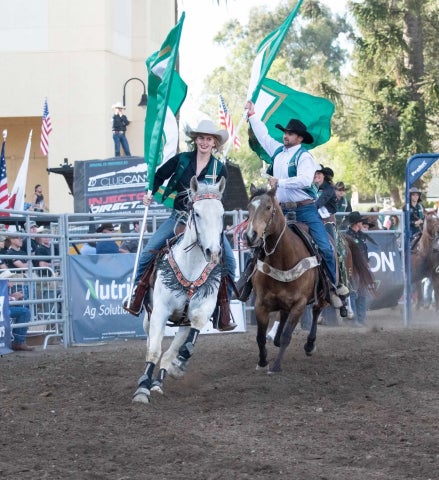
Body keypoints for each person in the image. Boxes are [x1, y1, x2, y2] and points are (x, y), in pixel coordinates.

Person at [123, 119, 237, 330]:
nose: (204, 142)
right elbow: (158, 176)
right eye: (201, 138)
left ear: (215, 143)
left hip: (206, 223)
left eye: (209, 139)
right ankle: (136, 296)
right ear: (195, 140)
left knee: (230, 262)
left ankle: (224, 310)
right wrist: (148, 193)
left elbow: (222, 200)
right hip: (179, 218)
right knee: (149, 251)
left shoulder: (219, 169)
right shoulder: (182, 160)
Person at [245, 100, 348, 309]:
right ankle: (248, 284)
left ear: (299, 138)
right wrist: (253, 114)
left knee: (326, 248)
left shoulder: (305, 157)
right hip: (280, 211)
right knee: (258, 244)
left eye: (290, 134)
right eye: (285, 133)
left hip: (305, 210)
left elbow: (304, 180)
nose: (286, 136)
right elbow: (263, 136)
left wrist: (279, 182)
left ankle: (332, 286)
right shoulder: (277, 151)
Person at [345, 211, 371, 326]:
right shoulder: (347, 236)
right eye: (360, 221)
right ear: (356, 223)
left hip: (362, 267)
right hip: (354, 268)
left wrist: (367, 263)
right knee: (354, 292)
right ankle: (355, 319)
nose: (362, 223)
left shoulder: (361, 235)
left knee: (362, 293)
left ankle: (361, 319)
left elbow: (365, 251)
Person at [314, 165, 337, 240]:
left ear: (323, 175)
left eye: (319, 173)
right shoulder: (310, 187)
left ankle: (333, 251)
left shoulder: (329, 188)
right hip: (313, 217)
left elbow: (321, 201)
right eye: (314, 173)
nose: (316, 175)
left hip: (327, 219)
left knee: (330, 241)